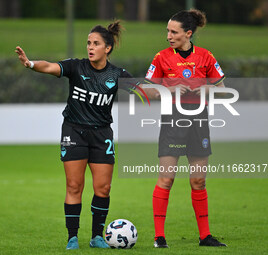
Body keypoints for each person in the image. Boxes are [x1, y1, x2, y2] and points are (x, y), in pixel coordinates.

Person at [15, 20, 133, 250]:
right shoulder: (76, 67)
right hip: (74, 131)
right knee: (74, 185)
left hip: (102, 134)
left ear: (107, 48)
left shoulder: (117, 74)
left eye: (95, 43)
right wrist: (30, 64)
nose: (90, 47)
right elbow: (49, 67)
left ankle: (97, 236)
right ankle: (72, 237)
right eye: (88, 43)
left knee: (103, 188)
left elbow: (143, 90)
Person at [144, 9, 227, 248]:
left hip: (199, 123)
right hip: (172, 122)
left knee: (198, 181)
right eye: (167, 31)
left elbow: (222, 88)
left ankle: (205, 237)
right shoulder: (161, 57)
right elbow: (146, 90)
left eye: (174, 31)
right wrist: (168, 90)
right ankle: (159, 237)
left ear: (188, 33)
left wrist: (204, 90)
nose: (169, 36)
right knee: (166, 179)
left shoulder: (205, 56)